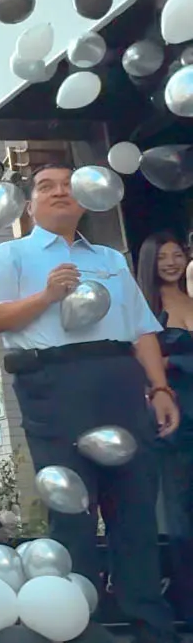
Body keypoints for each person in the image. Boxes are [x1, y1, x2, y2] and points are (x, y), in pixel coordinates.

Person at [0, 164, 192, 643]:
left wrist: (159, 387)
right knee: (72, 509)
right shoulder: (12, 255)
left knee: (135, 507)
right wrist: (47, 296)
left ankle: (153, 634)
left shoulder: (110, 260)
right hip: (54, 382)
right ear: (29, 204)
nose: (59, 192)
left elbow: (141, 329)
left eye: (68, 186)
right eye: (45, 187)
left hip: (119, 380)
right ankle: (74, 635)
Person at [136, 232, 193, 621]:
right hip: (173, 413)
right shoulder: (145, 310)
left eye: (177, 255)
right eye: (163, 257)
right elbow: (139, 359)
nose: (172, 263)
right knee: (178, 513)